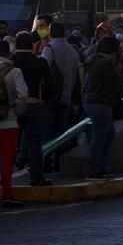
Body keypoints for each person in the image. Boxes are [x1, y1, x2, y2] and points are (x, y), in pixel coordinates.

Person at [0, 40, 27, 207]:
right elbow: (22, 95)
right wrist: (16, 111)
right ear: (10, 54)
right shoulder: (15, 71)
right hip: (9, 123)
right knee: (6, 161)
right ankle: (7, 195)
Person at [12, 31, 54, 187]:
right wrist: (45, 100)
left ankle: (5, 175)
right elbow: (50, 84)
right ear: (32, 45)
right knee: (34, 143)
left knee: (10, 143)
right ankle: (36, 177)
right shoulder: (40, 62)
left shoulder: (10, 62)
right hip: (34, 103)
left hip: (14, 107)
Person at [42, 22, 82, 172]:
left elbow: (44, 68)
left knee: (48, 130)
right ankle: (58, 161)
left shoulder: (49, 49)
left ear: (50, 33)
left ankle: (45, 161)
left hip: (51, 97)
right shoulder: (73, 51)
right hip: (67, 96)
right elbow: (76, 76)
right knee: (61, 131)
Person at [83, 36, 123, 180]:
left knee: (108, 134)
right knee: (101, 137)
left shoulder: (91, 61)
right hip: (102, 103)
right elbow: (116, 85)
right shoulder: (106, 64)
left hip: (90, 102)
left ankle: (99, 167)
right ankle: (95, 169)